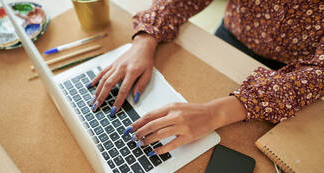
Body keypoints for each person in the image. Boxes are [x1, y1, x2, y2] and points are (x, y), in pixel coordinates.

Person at [88, 0, 324, 156]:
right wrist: (145, 38)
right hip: (229, 37)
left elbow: (319, 71)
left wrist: (215, 112)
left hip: (295, 71)